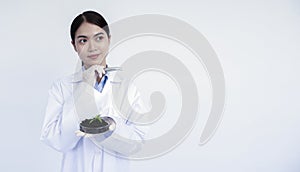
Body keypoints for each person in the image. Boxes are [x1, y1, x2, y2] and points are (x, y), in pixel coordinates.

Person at [40, 10, 147, 172]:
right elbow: (57, 141)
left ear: (109, 40)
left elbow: (138, 143)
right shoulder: (61, 87)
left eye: (99, 38)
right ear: (74, 45)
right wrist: (84, 89)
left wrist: (111, 125)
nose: (92, 47)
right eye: (83, 40)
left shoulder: (127, 87)